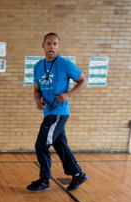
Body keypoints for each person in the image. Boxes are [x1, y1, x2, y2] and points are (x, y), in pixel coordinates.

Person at [27, 32, 88, 193]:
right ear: (43, 46)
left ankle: (44, 179)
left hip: (59, 112)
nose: (51, 47)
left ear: (58, 46)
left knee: (41, 144)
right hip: (48, 111)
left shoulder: (65, 64)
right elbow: (36, 90)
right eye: (48, 44)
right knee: (60, 145)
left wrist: (68, 95)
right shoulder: (38, 66)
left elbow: (83, 81)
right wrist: (37, 101)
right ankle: (78, 174)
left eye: (55, 44)